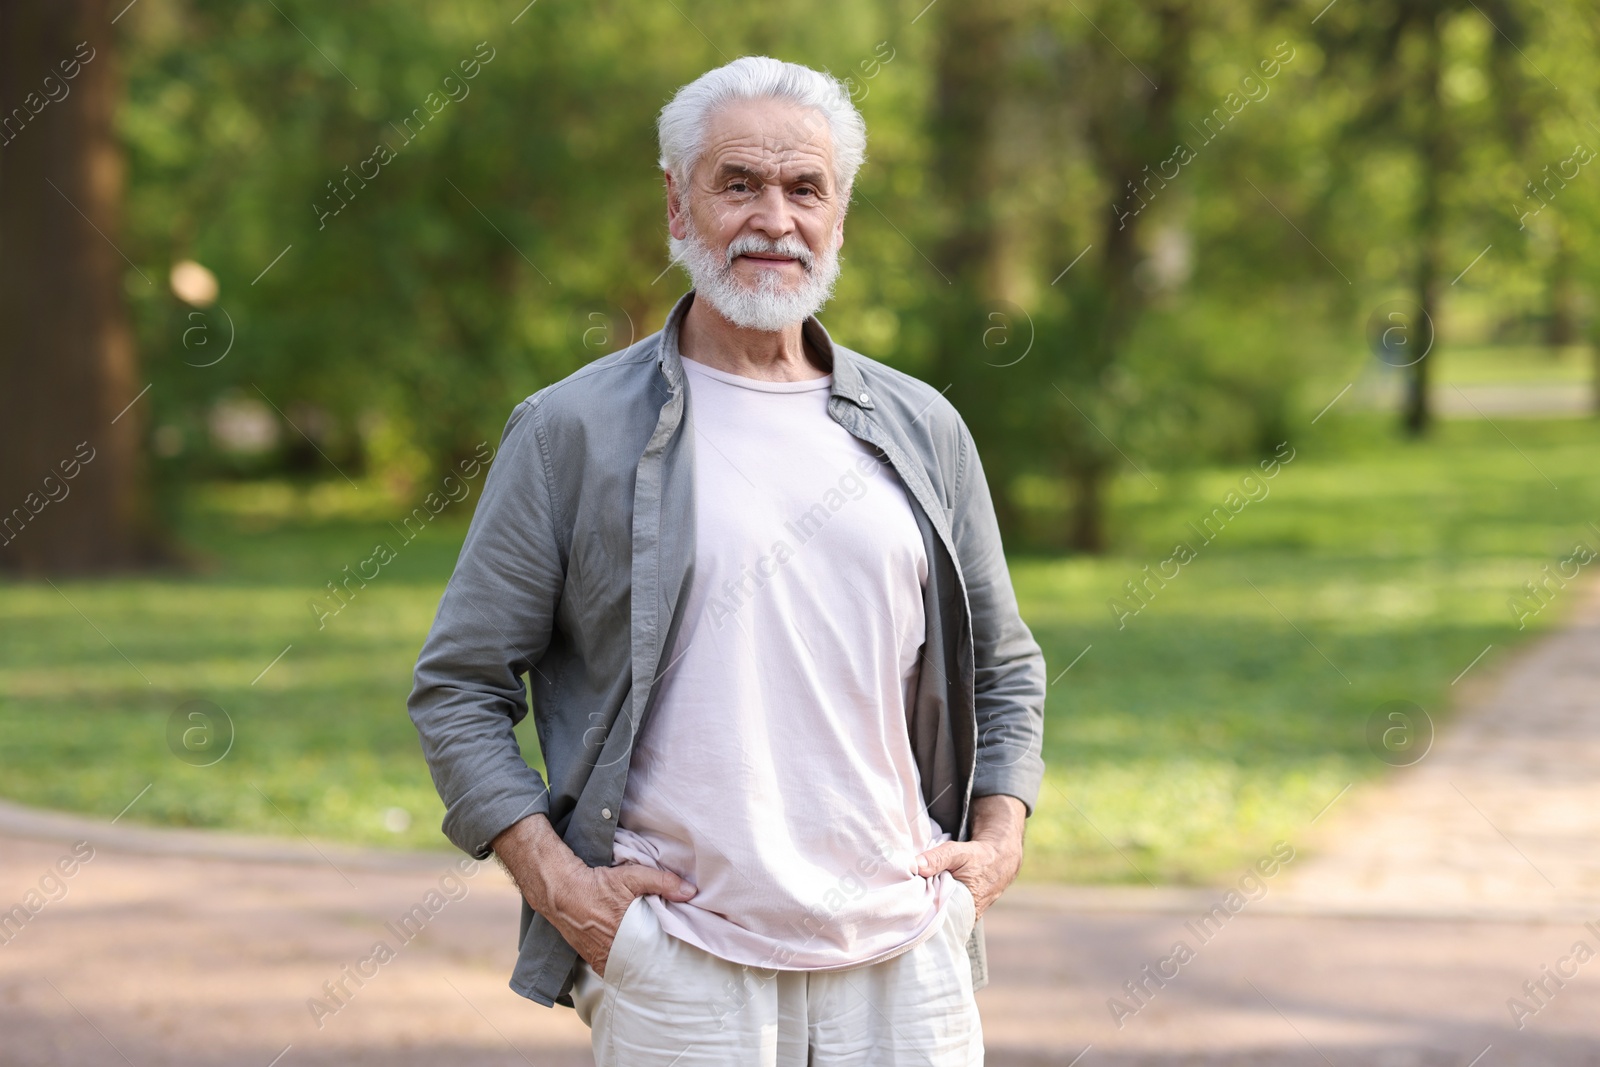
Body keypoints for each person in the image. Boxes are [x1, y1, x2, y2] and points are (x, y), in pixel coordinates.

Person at [409, 54, 1046, 1067]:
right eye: (737, 183)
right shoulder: (569, 430)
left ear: (841, 215)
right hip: (680, 964)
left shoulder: (924, 427)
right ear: (677, 205)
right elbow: (458, 685)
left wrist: (994, 843)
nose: (773, 218)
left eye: (805, 188)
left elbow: (1005, 665)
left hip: (905, 950)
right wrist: (561, 886)